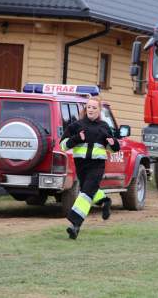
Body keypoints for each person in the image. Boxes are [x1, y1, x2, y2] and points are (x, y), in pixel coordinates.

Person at [60, 96, 120, 239]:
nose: (91, 110)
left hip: (97, 166)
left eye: (94, 108)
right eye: (89, 107)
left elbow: (113, 149)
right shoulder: (76, 126)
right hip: (81, 165)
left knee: (85, 193)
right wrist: (76, 139)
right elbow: (63, 145)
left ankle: (75, 224)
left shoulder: (104, 127)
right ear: (85, 109)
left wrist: (113, 143)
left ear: (99, 111)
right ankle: (104, 201)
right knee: (88, 189)